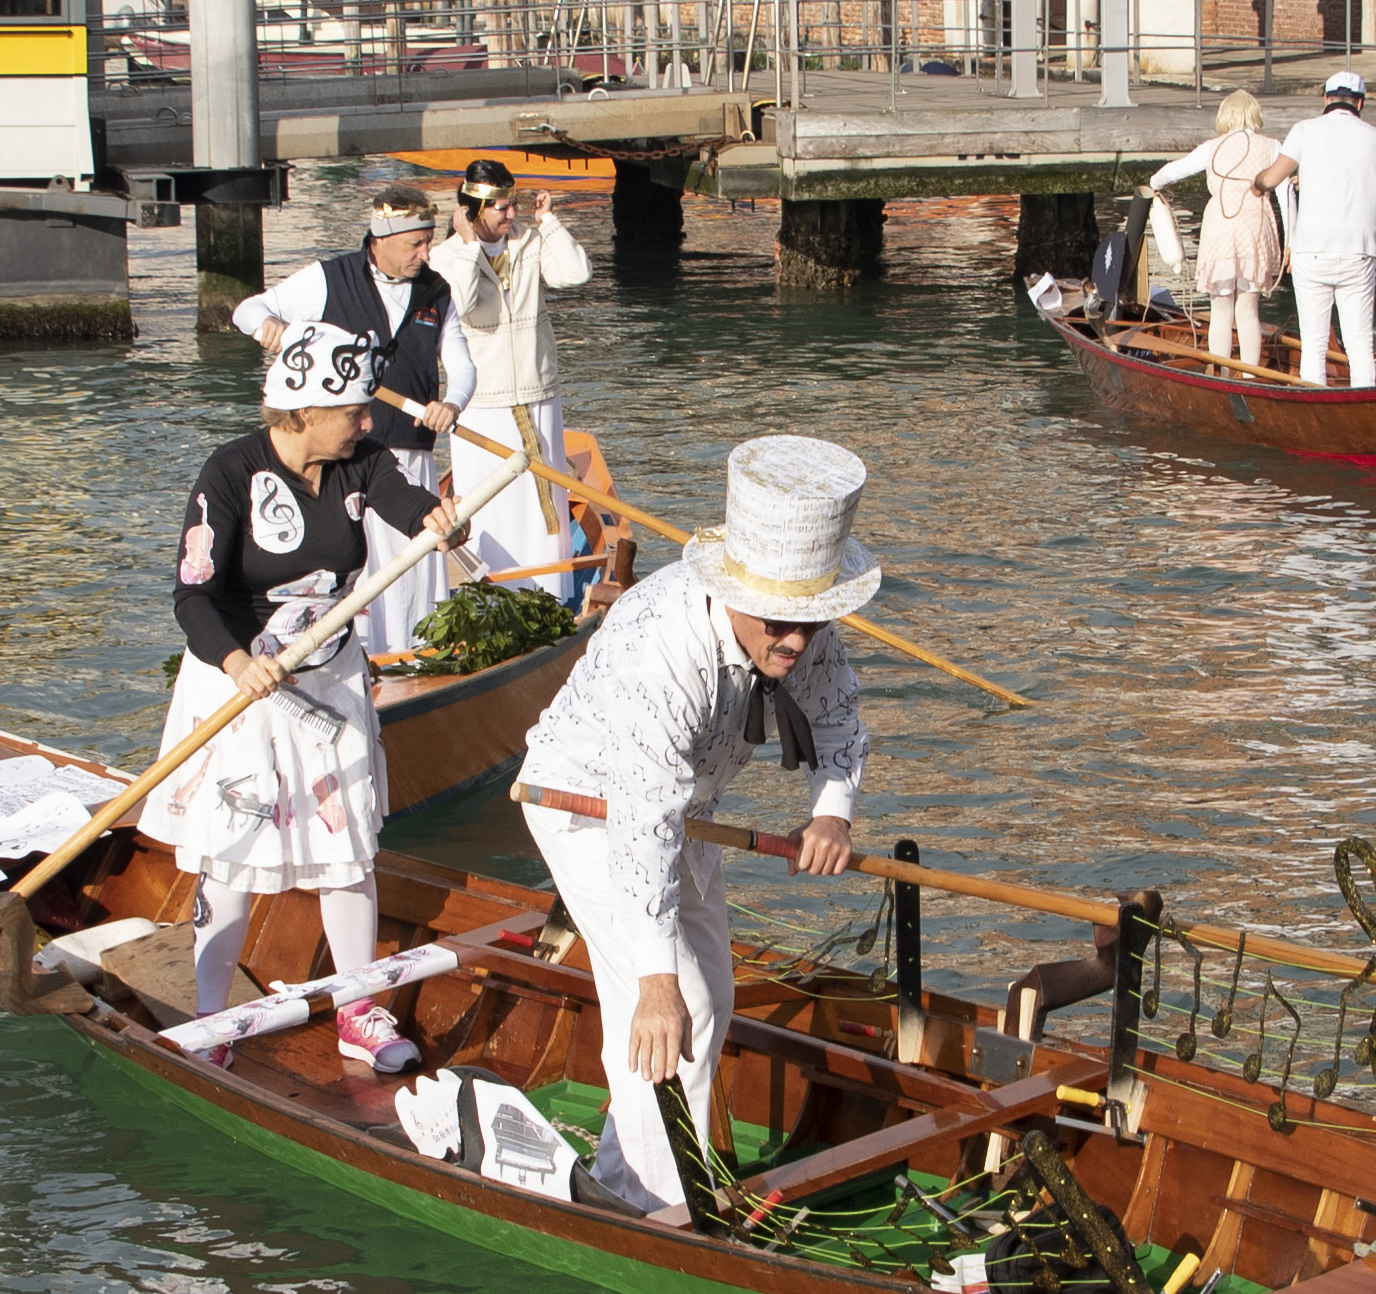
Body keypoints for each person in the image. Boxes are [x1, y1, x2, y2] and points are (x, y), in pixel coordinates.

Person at [508, 436, 876, 1222]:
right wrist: (652, 982)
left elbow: (839, 723)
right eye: (780, 621)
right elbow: (641, 820)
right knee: (672, 1004)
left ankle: (630, 1174)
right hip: (585, 803)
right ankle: (654, 1196)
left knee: (709, 995)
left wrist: (830, 812)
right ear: (733, 592)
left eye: (810, 622)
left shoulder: (799, 633)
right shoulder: (662, 649)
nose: (795, 642)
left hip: (688, 811)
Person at [149, 327, 474, 1071]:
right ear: (303, 411)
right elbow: (192, 597)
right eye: (354, 411)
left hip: (328, 679)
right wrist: (238, 662)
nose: (367, 422)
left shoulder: (361, 461)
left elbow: (404, 499)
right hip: (244, 685)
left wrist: (439, 516)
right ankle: (212, 1017)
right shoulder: (228, 473)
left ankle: (356, 1009)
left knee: (348, 851)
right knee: (233, 858)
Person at [239, 187, 468, 657]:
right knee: (356, 566)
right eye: (415, 244)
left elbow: (462, 366)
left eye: (428, 242)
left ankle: (407, 657)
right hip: (343, 457)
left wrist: (452, 403)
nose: (425, 255)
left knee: (409, 577)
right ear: (381, 238)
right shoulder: (329, 279)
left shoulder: (436, 290)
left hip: (409, 452)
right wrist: (268, 326)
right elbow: (248, 309)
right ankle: (355, 656)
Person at [428, 160, 592, 581]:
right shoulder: (445, 257)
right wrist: (467, 246)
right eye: (501, 207)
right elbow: (458, 304)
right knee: (492, 501)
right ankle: (497, 585)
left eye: (514, 204)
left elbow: (576, 273)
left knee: (544, 501)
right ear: (472, 210)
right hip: (484, 401)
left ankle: (551, 585)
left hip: (539, 392)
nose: (511, 214)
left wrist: (549, 221)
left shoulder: (530, 242)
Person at [1138, 84, 1295, 371]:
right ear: (1254, 115)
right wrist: (1291, 241)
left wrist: (1154, 182)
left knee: (1220, 310)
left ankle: (1220, 374)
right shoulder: (1273, 147)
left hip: (1220, 227)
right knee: (1248, 311)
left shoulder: (1212, 147)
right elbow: (1286, 194)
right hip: (1255, 228)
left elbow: (1177, 169)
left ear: (1226, 116)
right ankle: (1251, 378)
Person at [1284, 68, 1376, 388]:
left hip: (1312, 250)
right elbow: (1369, 182)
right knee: (1360, 345)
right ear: (1359, 104)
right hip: (1359, 250)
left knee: (1315, 345)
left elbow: (1280, 175)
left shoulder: (1304, 131)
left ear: (1326, 99)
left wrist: (1268, 182)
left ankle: (1314, 410)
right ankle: (1365, 407)